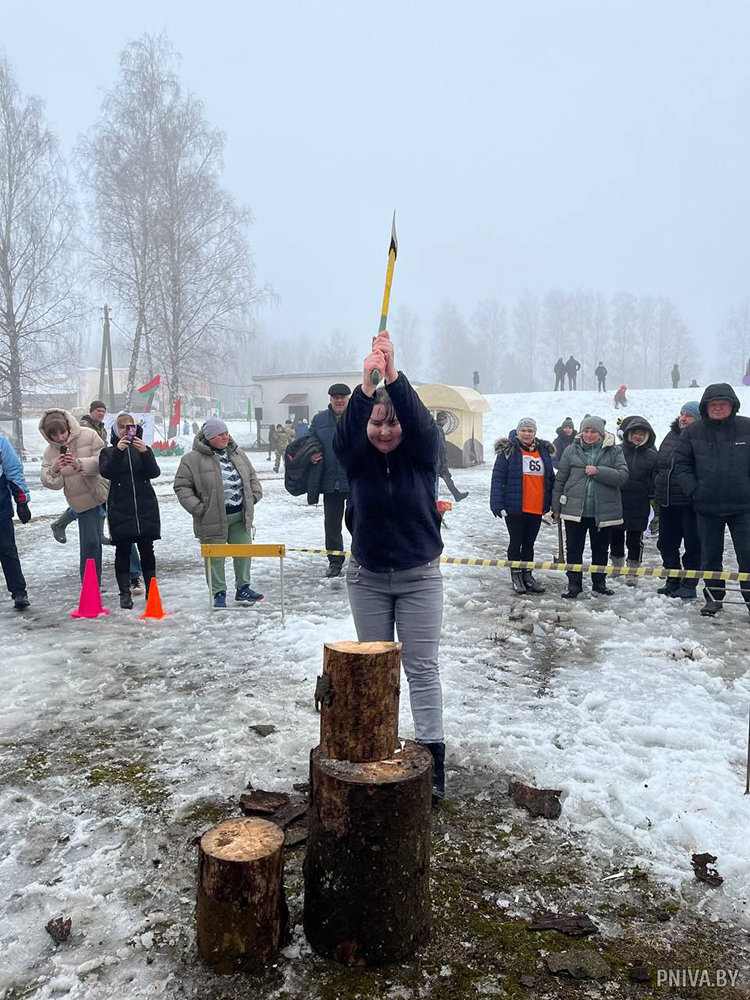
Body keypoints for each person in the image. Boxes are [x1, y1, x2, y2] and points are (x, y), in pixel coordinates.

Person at [334, 331, 446, 799]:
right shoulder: (357, 459)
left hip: (420, 576)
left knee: (421, 668)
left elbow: (421, 425)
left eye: (392, 423)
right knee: (375, 668)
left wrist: (393, 375)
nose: (385, 431)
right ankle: (375, 748)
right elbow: (345, 437)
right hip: (368, 578)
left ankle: (433, 762)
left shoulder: (421, 455)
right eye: (377, 423)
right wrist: (365, 387)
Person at [673, 384, 750, 616]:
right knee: (710, 557)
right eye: (713, 404)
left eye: (722, 404)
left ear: (732, 406)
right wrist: (694, 490)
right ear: (705, 407)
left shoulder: (747, 427)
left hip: (743, 507)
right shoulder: (692, 432)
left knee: (748, 556)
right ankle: (714, 598)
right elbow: (682, 464)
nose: (718, 408)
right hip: (707, 506)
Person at [174, 417, 263, 609]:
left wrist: (254, 495)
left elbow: (252, 476)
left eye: (226, 433)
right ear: (209, 437)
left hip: (240, 515)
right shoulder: (191, 459)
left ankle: (243, 588)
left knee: (244, 552)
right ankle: (218, 592)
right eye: (220, 434)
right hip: (212, 518)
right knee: (215, 557)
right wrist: (199, 508)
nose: (225, 437)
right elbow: (182, 487)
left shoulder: (238, 453)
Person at [552, 415, 628, 599]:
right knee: (574, 549)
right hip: (574, 510)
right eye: (586, 431)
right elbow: (560, 479)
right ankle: (574, 584)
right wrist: (556, 507)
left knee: (600, 549)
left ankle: (599, 583)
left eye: (593, 431)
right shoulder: (571, 450)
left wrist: (598, 472)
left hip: (603, 511)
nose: (589, 435)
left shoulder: (614, 450)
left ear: (601, 433)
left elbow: (622, 476)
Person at [99, 413, 161, 609]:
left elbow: (154, 472)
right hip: (121, 506)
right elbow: (107, 472)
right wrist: (118, 451)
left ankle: (152, 591)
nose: (126, 430)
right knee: (123, 551)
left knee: (147, 549)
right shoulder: (108, 452)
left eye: (130, 426)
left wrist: (145, 453)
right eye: (122, 427)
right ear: (116, 430)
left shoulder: (143, 448)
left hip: (145, 505)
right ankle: (124, 593)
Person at [40, 409, 109, 583]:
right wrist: (54, 470)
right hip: (81, 500)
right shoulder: (50, 453)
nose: (60, 438)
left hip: (105, 491)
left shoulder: (88, 435)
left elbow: (104, 462)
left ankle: (134, 576)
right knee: (90, 544)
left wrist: (79, 464)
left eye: (62, 432)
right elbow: (52, 483)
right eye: (54, 435)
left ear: (68, 426)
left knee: (124, 538)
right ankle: (90, 585)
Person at [490, 417, 556, 594]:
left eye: (530, 431)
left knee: (529, 543)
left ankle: (528, 574)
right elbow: (498, 477)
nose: (527, 434)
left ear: (535, 433)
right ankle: (516, 575)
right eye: (523, 430)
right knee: (516, 541)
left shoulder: (543, 452)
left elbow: (550, 478)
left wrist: (553, 503)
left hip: (536, 506)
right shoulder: (508, 451)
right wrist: (496, 503)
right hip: (515, 507)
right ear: (517, 432)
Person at [654, 402, 701, 599]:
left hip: (690, 503)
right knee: (666, 543)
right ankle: (672, 579)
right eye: (682, 414)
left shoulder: (701, 438)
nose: (683, 418)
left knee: (693, 545)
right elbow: (660, 465)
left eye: (688, 415)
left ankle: (689, 584)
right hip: (667, 501)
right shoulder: (671, 436)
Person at [50, 400, 108, 544]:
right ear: (91, 411)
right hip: (77, 470)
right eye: (98, 411)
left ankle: (99, 533)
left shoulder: (101, 428)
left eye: (103, 411)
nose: (101, 414)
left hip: (94, 469)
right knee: (83, 502)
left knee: (100, 500)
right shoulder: (84, 426)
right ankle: (60, 524)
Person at [609, 415, 657, 584]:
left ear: (647, 436)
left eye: (642, 434)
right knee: (615, 536)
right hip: (617, 502)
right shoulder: (616, 451)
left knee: (635, 539)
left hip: (639, 504)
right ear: (628, 434)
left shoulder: (652, 455)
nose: (638, 436)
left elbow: (655, 480)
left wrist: (653, 500)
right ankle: (616, 567)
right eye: (635, 433)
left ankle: (633, 571)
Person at [310, 384, 351, 578]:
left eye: (343, 397)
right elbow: (308, 441)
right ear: (330, 400)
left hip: (354, 480)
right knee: (332, 525)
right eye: (336, 397)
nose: (339, 400)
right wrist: (311, 454)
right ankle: (335, 562)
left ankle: (362, 559)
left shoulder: (359, 416)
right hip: (330, 481)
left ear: (348, 399)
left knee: (359, 522)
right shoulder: (319, 420)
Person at [0, 432, 32, 609]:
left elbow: (13, 471)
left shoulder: (1, 443)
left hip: (1, 509)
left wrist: (22, 502)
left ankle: (19, 592)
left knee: (7, 551)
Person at [435, 411, 468, 502]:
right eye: (445, 419)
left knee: (446, 477)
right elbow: (441, 448)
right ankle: (434, 502)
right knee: (442, 478)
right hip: (438, 462)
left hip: (436, 461)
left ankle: (457, 495)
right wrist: (443, 464)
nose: (446, 421)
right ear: (442, 419)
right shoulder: (438, 429)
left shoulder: (435, 428)